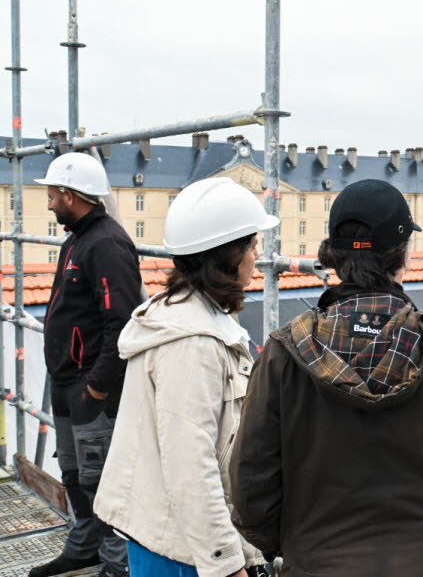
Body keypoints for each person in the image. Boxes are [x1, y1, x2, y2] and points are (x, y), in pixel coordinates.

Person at [231, 179, 423, 576]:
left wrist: (300, 545)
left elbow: (251, 486)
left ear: (334, 256)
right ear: (402, 255)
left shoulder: (283, 354)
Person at [94, 177, 277, 577]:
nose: (258, 255)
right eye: (252, 244)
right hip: (181, 551)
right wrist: (226, 564)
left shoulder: (194, 315)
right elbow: (190, 466)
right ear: (229, 255)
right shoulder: (192, 343)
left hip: (181, 539)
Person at [31, 153, 142, 577]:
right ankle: (85, 547)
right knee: (75, 474)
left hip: (92, 389)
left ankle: (116, 567)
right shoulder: (77, 239)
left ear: (71, 195)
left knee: (102, 480)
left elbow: (123, 324)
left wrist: (95, 388)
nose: (49, 203)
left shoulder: (106, 244)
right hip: (67, 383)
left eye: (52, 194)